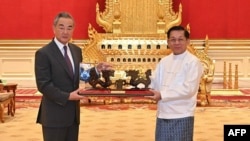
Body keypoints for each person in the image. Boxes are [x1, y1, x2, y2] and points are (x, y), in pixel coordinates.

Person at [34, 12, 112, 141]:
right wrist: (68, 96)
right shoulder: (44, 53)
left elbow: (81, 77)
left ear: (73, 30)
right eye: (61, 27)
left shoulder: (76, 50)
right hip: (54, 116)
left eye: (69, 28)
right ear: (54, 28)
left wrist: (97, 70)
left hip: (73, 116)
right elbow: (44, 85)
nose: (65, 31)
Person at [147, 26, 203, 141]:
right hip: (163, 113)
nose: (176, 43)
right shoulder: (164, 61)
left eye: (180, 39)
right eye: (173, 39)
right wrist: (140, 86)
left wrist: (162, 95)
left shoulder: (193, 62)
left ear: (188, 41)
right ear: (168, 42)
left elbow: (189, 89)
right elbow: (155, 82)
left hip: (182, 114)